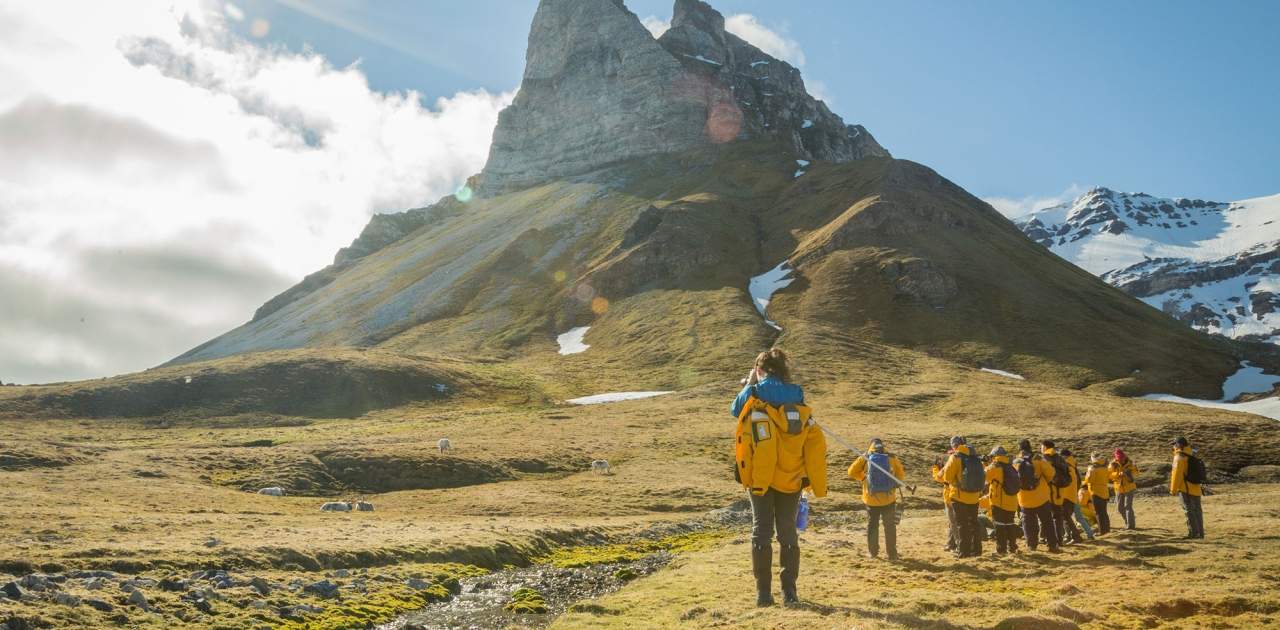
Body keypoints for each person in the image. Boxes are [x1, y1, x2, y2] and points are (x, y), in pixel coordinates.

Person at [732, 349, 827, 607]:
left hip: (760, 476)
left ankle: (764, 595)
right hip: (792, 475)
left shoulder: (754, 392)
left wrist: (750, 383)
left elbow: (735, 409)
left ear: (760, 369)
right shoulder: (797, 393)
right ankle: (790, 593)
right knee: (787, 532)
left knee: (761, 531)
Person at [847, 438, 905, 560]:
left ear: (871, 446)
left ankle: (873, 553)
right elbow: (900, 475)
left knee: (872, 526)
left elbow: (851, 472)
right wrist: (892, 484)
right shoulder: (891, 457)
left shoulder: (866, 457)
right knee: (889, 526)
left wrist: (864, 479)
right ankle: (892, 554)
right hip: (889, 499)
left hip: (871, 499)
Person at [942, 436, 985, 558]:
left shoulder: (955, 457)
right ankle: (977, 550)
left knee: (962, 525)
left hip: (959, 497)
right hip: (974, 497)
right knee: (974, 523)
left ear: (954, 446)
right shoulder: (975, 457)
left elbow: (947, 478)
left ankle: (964, 552)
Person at [1014, 438, 1060, 553]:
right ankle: (1052, 545)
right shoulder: (1038, 459)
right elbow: (1051, 473)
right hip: (1041, 497)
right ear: (1030, 447)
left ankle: (1031, 546)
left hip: (1024, 499)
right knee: (1047, 522)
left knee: (1028, 523)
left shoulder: (1016, 461)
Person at [1043, 441, 1083, 546]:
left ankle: (1073, 536)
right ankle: (1069, 536)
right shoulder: (1070, 465)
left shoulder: (1065, 465)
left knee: (1063, 517)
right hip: (1068, 494)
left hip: (1063, 495)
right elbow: (1077, 481)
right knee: (1064, 517)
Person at [983, 446, 1021, 554]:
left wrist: (985, 464)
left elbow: (984, 477)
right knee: (1010, 524)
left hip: (999, 502)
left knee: (999, 526)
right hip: (1012, 502)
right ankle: (1012, 547)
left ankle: (1001, 549)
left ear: (995, 456)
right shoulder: (1010, 466)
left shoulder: (995, 466)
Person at [1170, 436, 1205, 539]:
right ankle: (1200, 534)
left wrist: (1173, 490)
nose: (1173, 446)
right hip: (1196, 487)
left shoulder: (1179, 457)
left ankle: (1193, 534)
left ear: (1179, 445)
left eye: (1174, 444)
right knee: (1197, 511)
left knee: (1188, 510)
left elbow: (1176, 475)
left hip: (1185, 488)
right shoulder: (1192, 454)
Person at [931, 451, 957, 552]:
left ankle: (957, 545)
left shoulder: (949, 466)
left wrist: (936, 467)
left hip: (950, 496)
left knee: (953, 522)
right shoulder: (962, 463)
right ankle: (950, 544)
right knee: (953, 521)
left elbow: (938, 477)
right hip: (961, 496)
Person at [1110, 448, 1139, 530]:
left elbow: (1137, 473)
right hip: (1119, 488)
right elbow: (1109, 475)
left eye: (1122, 458)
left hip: (1129, 488)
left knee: (1128, 506)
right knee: (1120, 508)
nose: (1121, 460)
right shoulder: (1113, 464)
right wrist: (1118, 474)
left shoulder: (1130, 463)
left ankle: (1130, 526)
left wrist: (1128, 473)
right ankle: (1128, 521)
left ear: (1124, 456)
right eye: (1119, 459)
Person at [1085, 453, 1112, 535]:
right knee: (1104, 512)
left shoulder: (1093, 468)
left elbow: (1089, 480)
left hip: (1095, 492)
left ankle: (1102, 531)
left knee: (1098, 513)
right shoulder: (1105, 467)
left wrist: (1088, 471)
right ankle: (1107, 529)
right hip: (1104, 491)